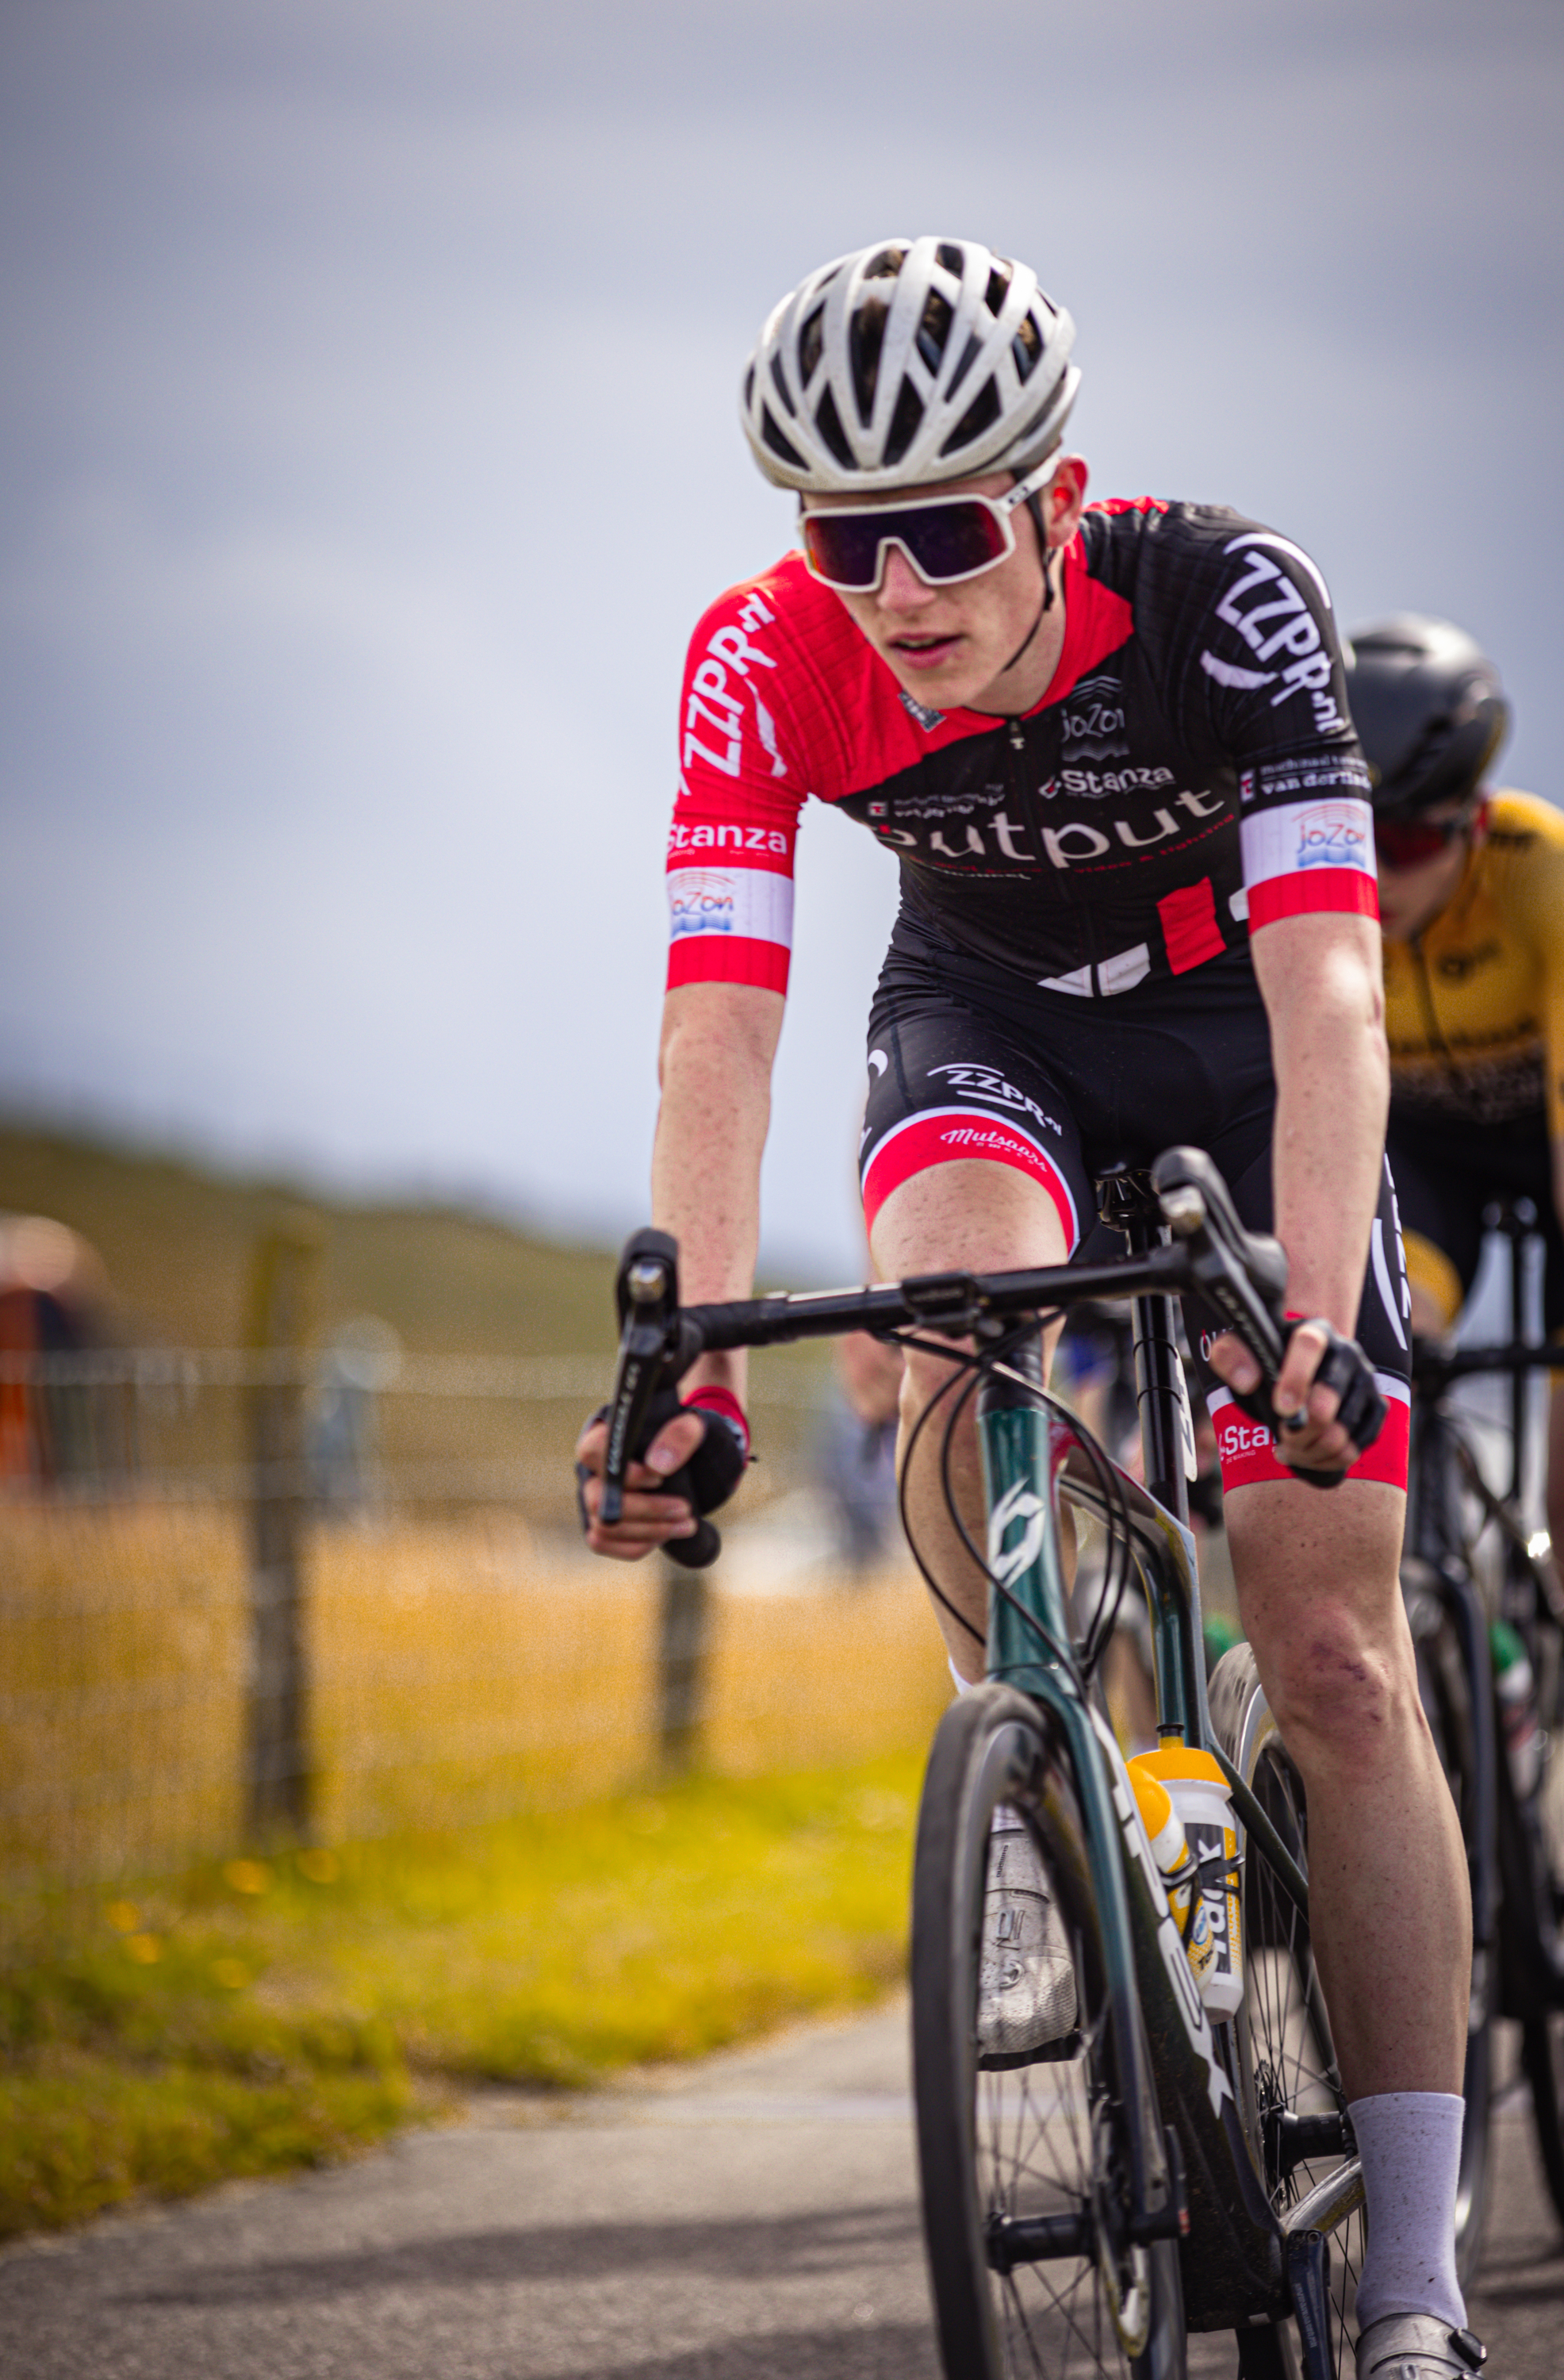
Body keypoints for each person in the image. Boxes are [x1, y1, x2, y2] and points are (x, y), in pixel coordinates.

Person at [577, 240, 1474, 2378]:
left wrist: (1321, 1306)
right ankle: (1055, 1774)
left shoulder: (1223, 601)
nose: (892, 588)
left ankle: (1425, 2281)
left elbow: (1330, 986)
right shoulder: (763, 657)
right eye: (837, 536)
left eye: (943, 532)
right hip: (988, 1024)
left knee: (1337, 1646)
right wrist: (688, 1358)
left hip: (1248, 1060)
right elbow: (720, 1025)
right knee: (951, 1307)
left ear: (1055, 495)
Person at [1347, 614, 1564, 1556]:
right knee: (1384, 1343)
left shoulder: (1539, 871)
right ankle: (1429, 1591)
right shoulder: (1310, 896)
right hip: (1427, 1156)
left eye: (1403, 844)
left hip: (1542, 1137)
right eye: (1351, 840)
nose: (1374, 875)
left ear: (1470, 822)